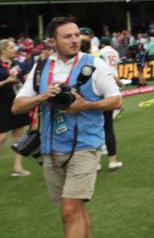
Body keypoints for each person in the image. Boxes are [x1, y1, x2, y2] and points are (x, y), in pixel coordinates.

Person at [12, 16, 121, 238]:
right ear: (53, 41)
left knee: (69, 211)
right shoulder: (41, 68)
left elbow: (116, 100)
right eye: (67, 36)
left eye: (76, 35)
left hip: (85, 146)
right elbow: (17, 106)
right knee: (75, 211)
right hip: (50, 150)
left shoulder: (94, 64)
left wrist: (85, 105)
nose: (75, 40)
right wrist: (42, 96)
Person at [0, 40, 32, 184]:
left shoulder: (17, 64)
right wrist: (6, 81)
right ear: (3, 50)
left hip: (18, 102)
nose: (14, 49)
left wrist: (27, 78)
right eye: (11, 47)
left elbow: (24, 79)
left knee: (18, 135)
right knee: (1, 138)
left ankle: (17, 167)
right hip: (2, 105)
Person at [96, 37, 124, 170]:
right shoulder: (115, 52)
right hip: (112, 82)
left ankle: (98, 157)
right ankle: (110, 157)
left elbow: (103, 69)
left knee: (100, 124)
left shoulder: (99, 52)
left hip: (102, 84)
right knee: (108, 125)